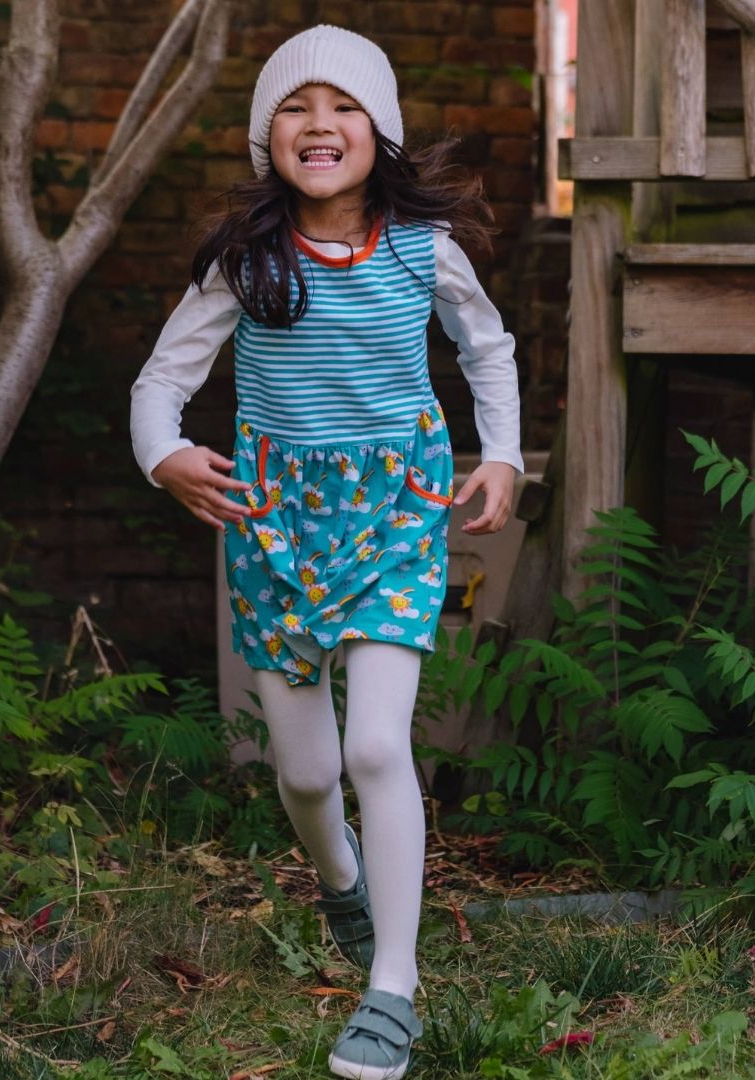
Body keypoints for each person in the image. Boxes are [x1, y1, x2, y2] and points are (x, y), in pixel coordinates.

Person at [130, 24, 523, 1080]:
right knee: (304, 772)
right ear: (269, 138)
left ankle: (392, 984)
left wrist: (505, 456)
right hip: (274, 525)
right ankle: (341, 878)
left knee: (376, 749)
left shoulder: (420, 250)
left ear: (379, 130)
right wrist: (164, 456)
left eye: (343, 105)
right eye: (295, 108)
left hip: (398, 512)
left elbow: (488, 347)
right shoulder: (245, 262)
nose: (319, 124)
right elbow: (159, 386)